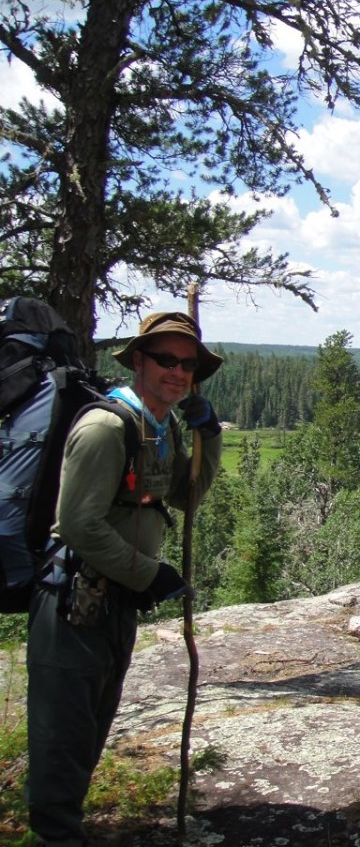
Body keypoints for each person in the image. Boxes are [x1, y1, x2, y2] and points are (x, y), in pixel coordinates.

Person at [25, 311, 223, 846]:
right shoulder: (106, 427)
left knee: (90, 728)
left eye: (188, 365)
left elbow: (185, 498)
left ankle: (64, 830)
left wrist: (210, 437)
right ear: (139, 360)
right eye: (165, 360)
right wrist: (151, 573)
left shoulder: (160, 426)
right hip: (72, 600)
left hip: (116, 603)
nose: (177, 372)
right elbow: (78, 524)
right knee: (63, 737)